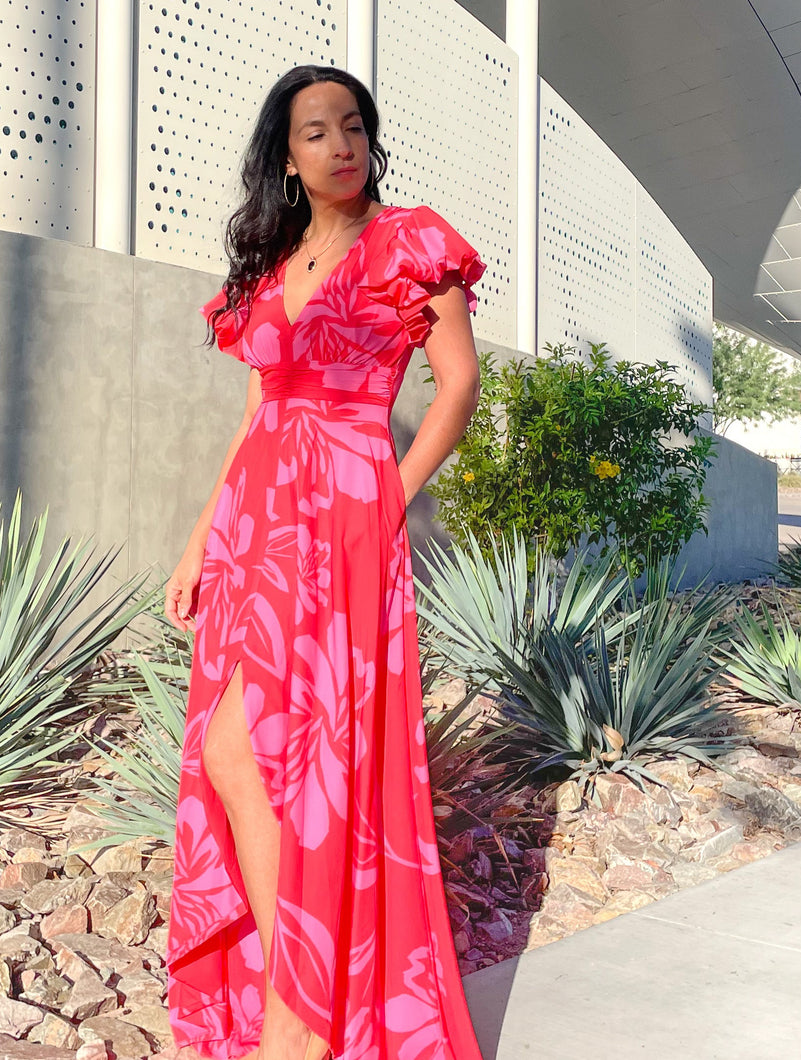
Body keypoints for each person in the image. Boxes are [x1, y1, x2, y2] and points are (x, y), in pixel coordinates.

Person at [163, 64, 486, 1060]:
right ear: (287, 154)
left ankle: (295, 1025)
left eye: (353, 125)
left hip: (346, 509)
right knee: (230, 749)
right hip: (257, 521)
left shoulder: (407, 242)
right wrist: (199, 541)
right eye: (316, 131)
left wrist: (391, 489)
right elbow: (258, 411)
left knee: (315, 756)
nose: (340, 144)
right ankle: (291, 995)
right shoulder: (272, 263)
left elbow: (459, 386)